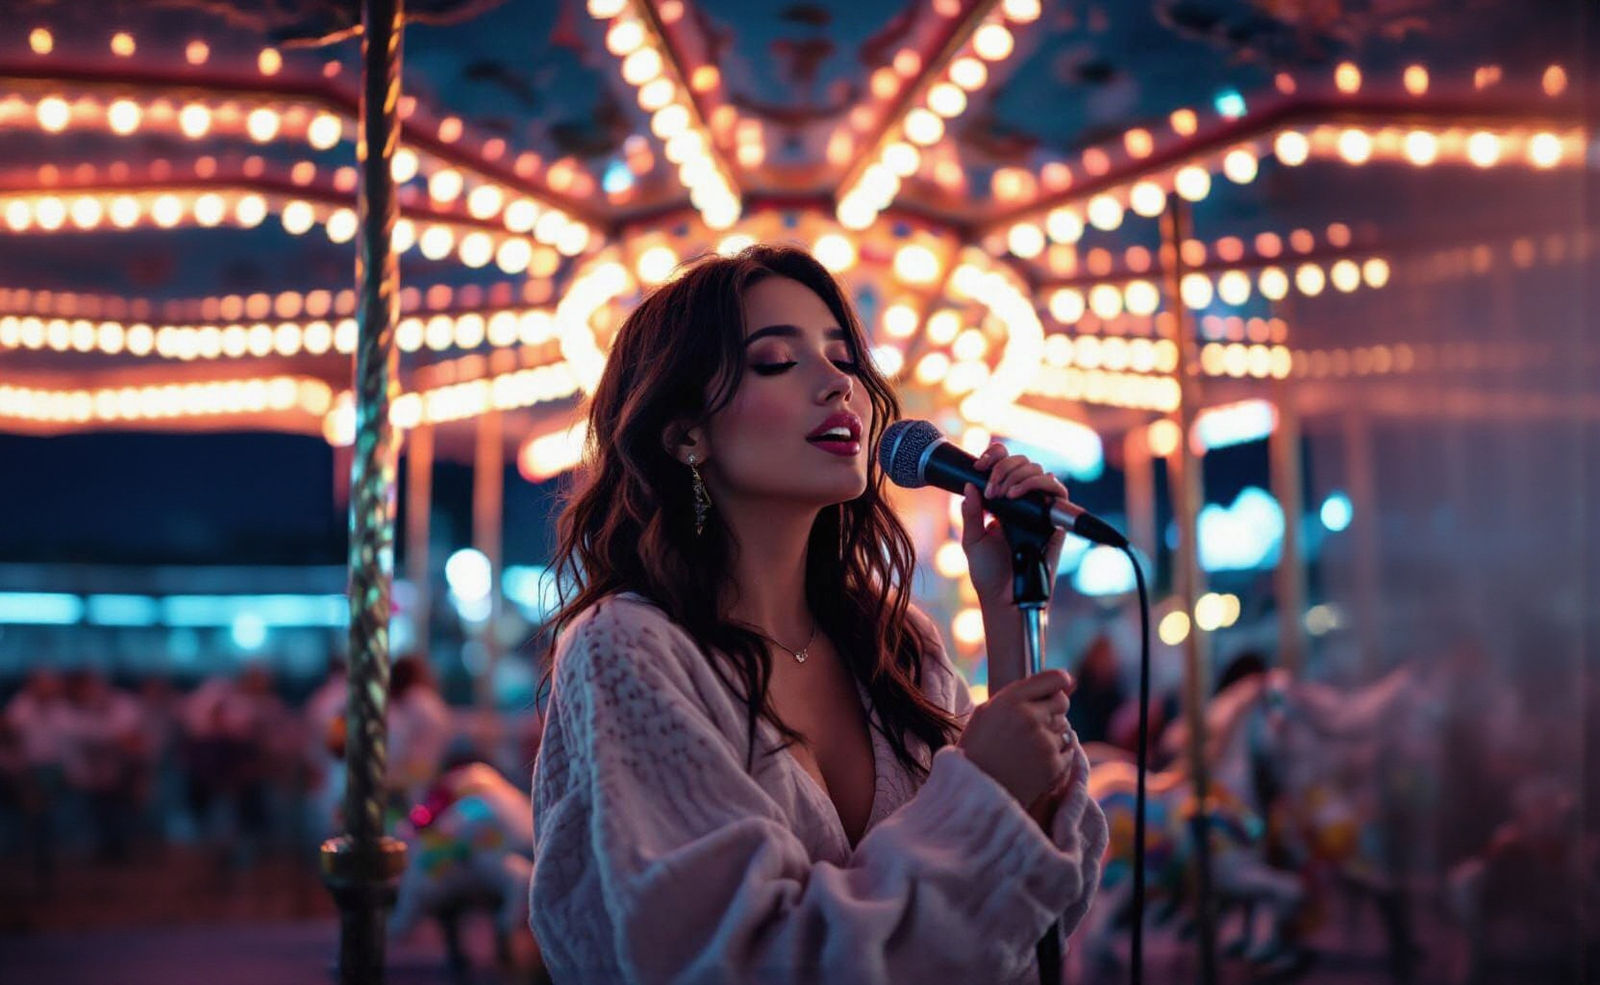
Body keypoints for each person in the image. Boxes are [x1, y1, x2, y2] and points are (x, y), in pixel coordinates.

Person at [529, 244, 1107, 983]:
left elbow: (1033, 922)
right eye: (777, 360)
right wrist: (982, 793)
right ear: (685, 435)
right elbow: (740, 961)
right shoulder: (628, 646)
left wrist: (1009, 623)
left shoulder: (896, 642)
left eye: (845, 358)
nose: (839, 383)